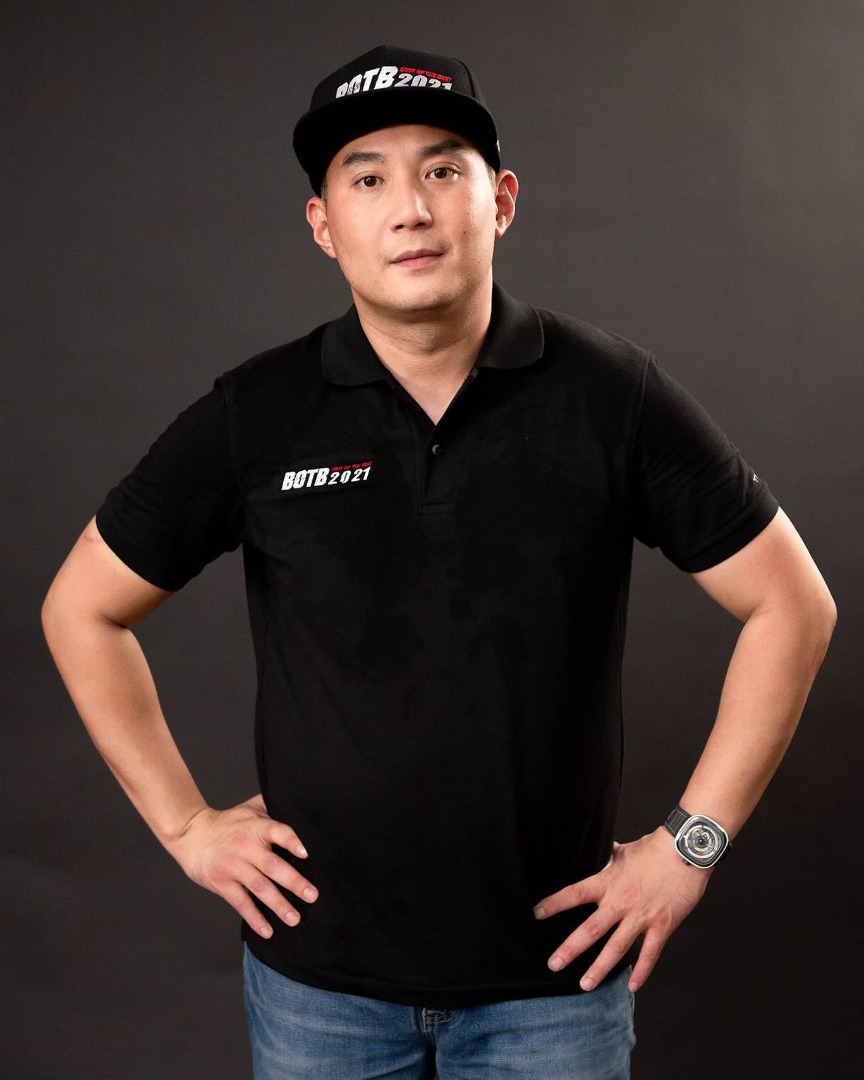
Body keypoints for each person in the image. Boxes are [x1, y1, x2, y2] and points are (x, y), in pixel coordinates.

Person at [42, 44, 836, 1080]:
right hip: (320, 992)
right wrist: (187, 825)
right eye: (367, 178)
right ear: (324, 224)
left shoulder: (610, 395)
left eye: (442, 169)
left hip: (553, 988)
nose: (409, 208)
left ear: (499, 200)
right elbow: (81, 608)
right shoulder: (257, 414)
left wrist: (690, 849)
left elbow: (793, 606)